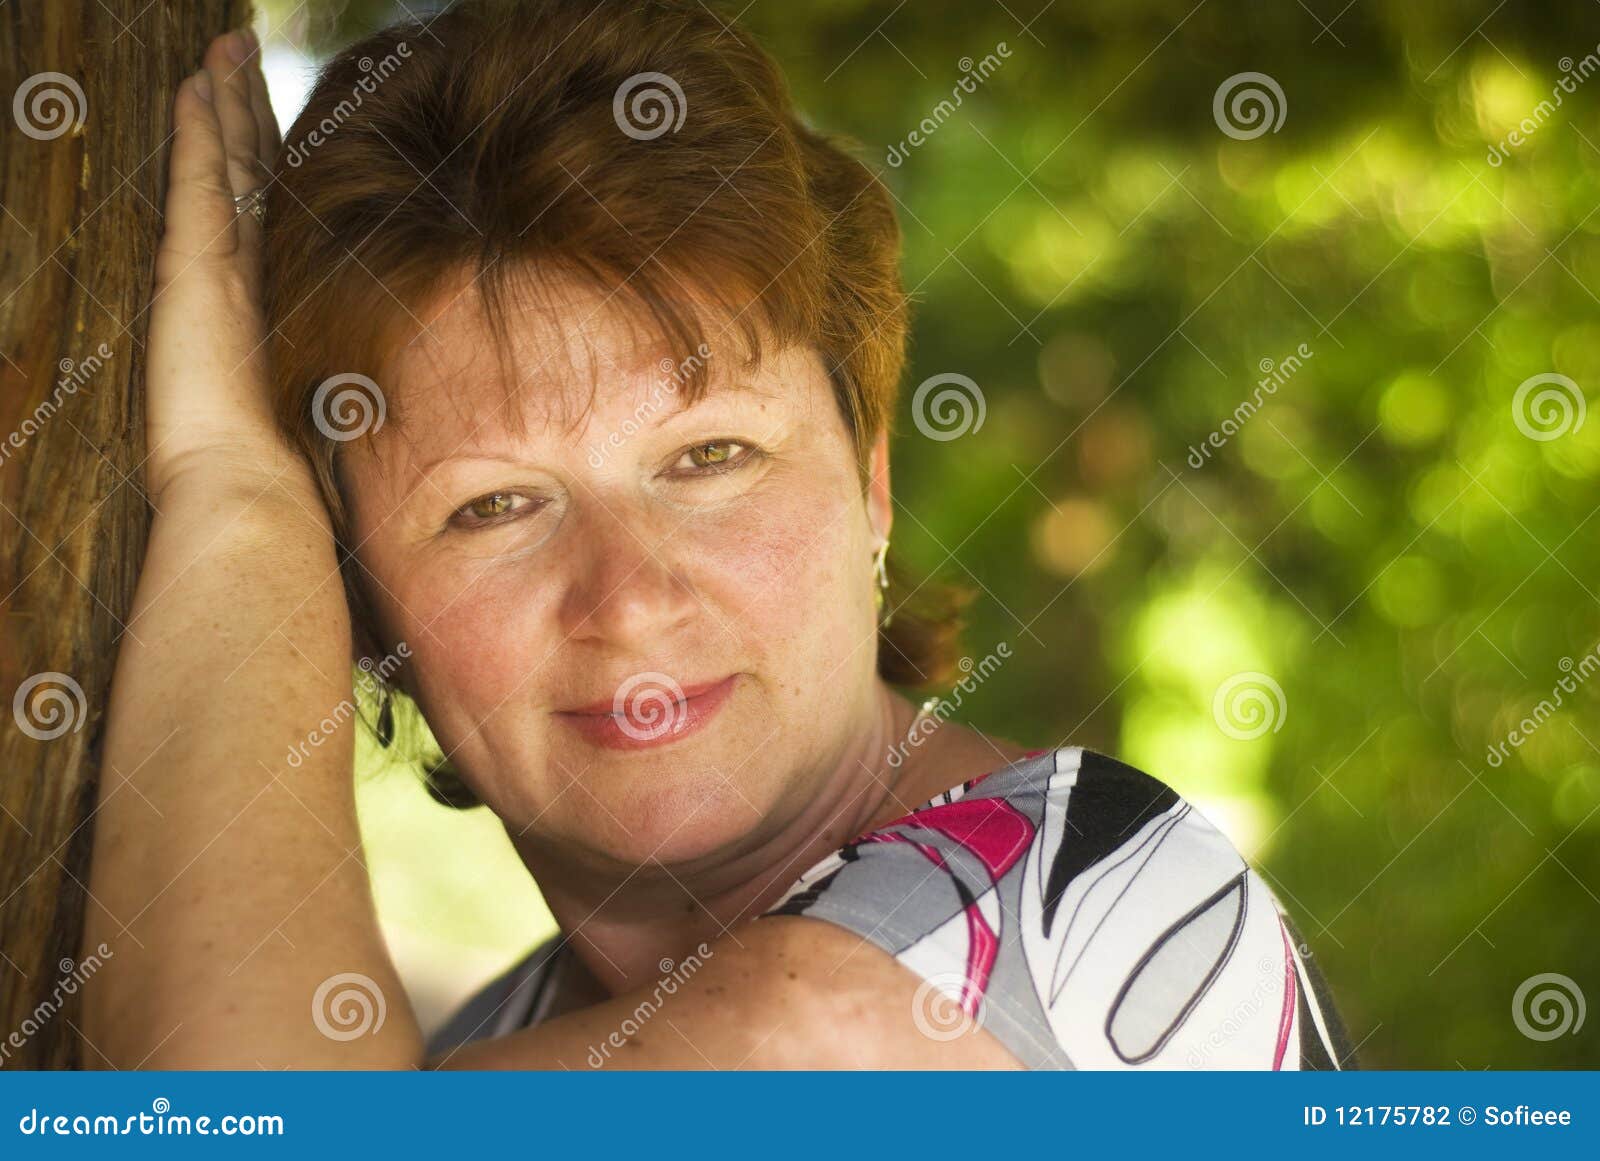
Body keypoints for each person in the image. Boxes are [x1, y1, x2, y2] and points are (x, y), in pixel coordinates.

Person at [82, 0, 1357, 1069]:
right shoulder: (507, 1033)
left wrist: (231, 490)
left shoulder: (1073, 909)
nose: (626, 598)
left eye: (710, 458)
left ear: (869, 481)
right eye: (493, 506)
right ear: (367, 607)